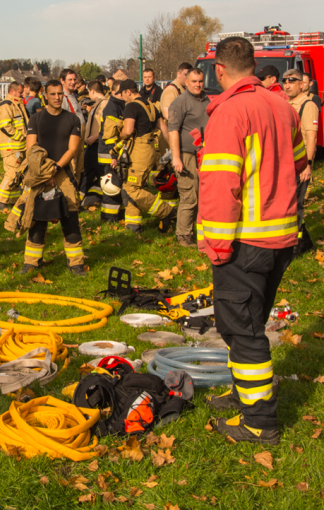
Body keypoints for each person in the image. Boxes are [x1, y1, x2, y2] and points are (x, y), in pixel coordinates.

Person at [200, 37, 307, 444]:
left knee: (242, 330)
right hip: (281, 235)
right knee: (250, 321)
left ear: (221, 71)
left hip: (245, 240)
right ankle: (244, 395)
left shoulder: (229, 112)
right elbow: (299, 161)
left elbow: (220, 186)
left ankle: (260, 422)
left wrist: (217, 243)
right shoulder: (281, 104)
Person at [20, 79, 86, 276]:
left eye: (60, 94)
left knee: (70, 219)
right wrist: (44, 173)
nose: (57, 97)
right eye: (53, 94)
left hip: (63, 174)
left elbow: (72, 149)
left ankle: (76, 264)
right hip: (40, 174)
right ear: (45, 96)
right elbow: (31, 149)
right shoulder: (36, 120)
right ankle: (31, 262)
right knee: (37, 219)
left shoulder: (72, 120)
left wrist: (55, 169)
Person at [117, 79, 174, 233]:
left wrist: (119, 135)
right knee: (137, 184)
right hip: (151, 150)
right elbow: (163, 128)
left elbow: (128, 131)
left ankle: (165, 211)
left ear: (128, 92)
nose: (122, 98)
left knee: (131, 188)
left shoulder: (131, 107)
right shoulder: (151, 105)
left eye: (122, 94)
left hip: (139, 150)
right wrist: (173, 149)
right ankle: (134, 225)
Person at [167, 68, 209, 248]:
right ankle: (183, 235)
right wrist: (176, 157)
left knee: (202, 195)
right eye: (194, 81)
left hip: (205, 154)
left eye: (200, 81)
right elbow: (173, 131)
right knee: (189, 196)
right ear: (186, 82)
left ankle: (196, 231)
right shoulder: (180, 103)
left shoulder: (206, 99)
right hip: (186, 155)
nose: (198, 85)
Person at [283, 68, 318, 256]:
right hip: (287, 163)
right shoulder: (287, 104)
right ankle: (307, 244)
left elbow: (311, 138)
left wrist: (308, 165)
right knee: (290, 203)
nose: (287, 85)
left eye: (292, 81)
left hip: (300, 163)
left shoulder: (307, 105)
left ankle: (295, 247)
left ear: (301, 84)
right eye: (285, 81)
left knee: (296, 205)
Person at [0, 82, 28, 209]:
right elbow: (4, 126)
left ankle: (12, 200)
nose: (22, 95)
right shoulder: (7, 105)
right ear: (12, 92)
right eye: (20, 92)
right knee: (11, 174)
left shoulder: (17, 104)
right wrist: (20, 136)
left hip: (20, 147)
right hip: (11, 148)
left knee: (17, 175)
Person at [98, 80, 125, 222]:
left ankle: (117, 215)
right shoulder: (112, 107)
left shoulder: (118, 105)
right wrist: (113, 155)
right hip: (109, 154)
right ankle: (109, 218)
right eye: (120, 92)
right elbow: (110, 135)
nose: (123, 94)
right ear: (113, 92)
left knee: (116, 186)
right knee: (111, 187)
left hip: (112, 153)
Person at [80, 81, 108, 207]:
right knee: (87, 173)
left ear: (91, 91)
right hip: (91, 146)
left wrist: (95, 137)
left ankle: (101, 200)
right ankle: (80, 201)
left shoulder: (105, 104)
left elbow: (107, 126)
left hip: (98, 145)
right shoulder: (97, 104)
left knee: (101, 174)